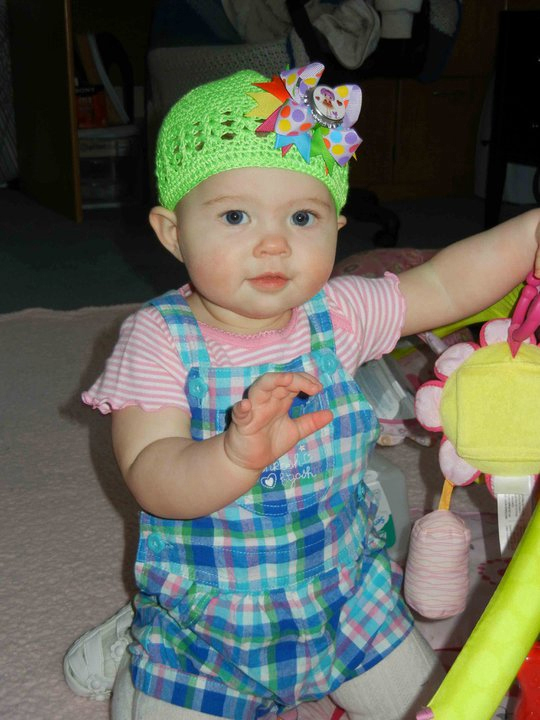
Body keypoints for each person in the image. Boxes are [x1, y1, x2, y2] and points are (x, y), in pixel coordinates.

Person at [63, 62, 540, 720]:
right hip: (211, 630)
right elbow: (152, 475)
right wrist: (232, 455)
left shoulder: (338, 313)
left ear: (337, 225)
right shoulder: (159, 338)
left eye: (302, 216)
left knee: (448, 708)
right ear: (173, 232)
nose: (273, 244)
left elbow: (443, 284)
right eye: (235, 215)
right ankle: (137, 639)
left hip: (346, 602)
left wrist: (530, 234)